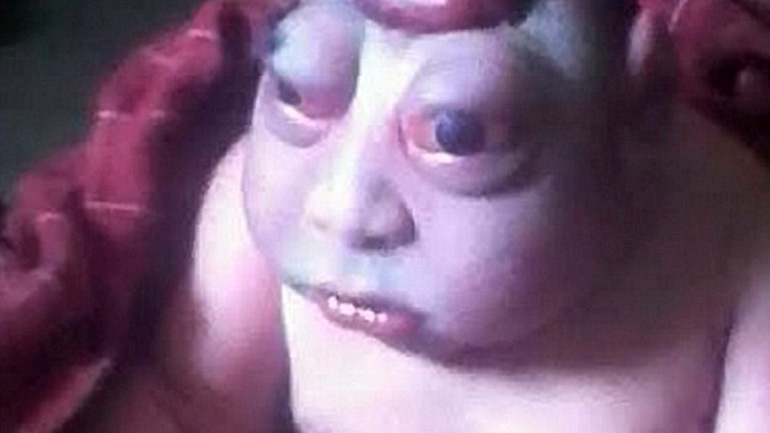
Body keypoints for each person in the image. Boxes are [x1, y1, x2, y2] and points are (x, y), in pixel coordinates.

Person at [2, 0, 770, 432]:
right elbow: (186, 406)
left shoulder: (735, 250)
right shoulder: (252, 205)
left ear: (638, 105)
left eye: (456, 134)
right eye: (298, 94)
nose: (338, 207)